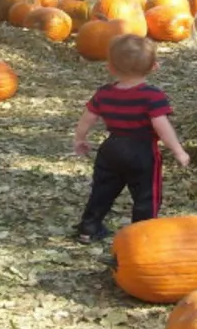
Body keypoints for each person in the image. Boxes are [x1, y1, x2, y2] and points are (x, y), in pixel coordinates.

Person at [72, 34, 190, 244]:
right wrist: (178, 151)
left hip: (112, 148)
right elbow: (161, 126)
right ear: (154, 66)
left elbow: (88, 117)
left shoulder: (104, 93)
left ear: (111, 67)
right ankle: (142, 235)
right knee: (146, 195)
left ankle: (88, 228)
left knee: (102, 190)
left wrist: (80, 138)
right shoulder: (152, 96)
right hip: (142, 150)